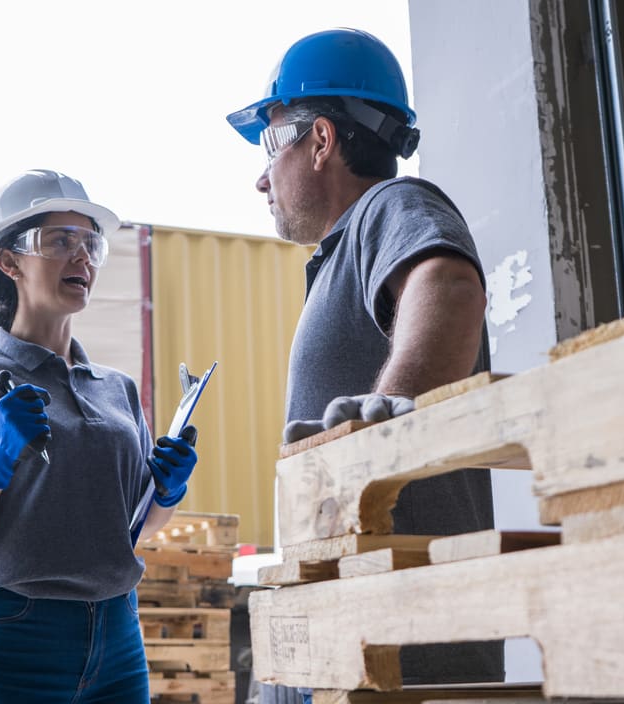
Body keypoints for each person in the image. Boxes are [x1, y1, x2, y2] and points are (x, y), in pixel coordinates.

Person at [226, 28, 504, 700]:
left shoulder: (393, 205)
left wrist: (390, 411)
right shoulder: (340, 255)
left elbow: (449, 285)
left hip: (394, 639)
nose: (260, 176)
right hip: (346, 629)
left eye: (271, 143)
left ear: (320, 140)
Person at [0, 169, 201, 703]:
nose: (83, 258)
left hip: (117, 639)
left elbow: (134, 529)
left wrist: (166, 492)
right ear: (9, 261)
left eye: (90, 243)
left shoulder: (117, 391)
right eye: (60, 241)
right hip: (10, 639)